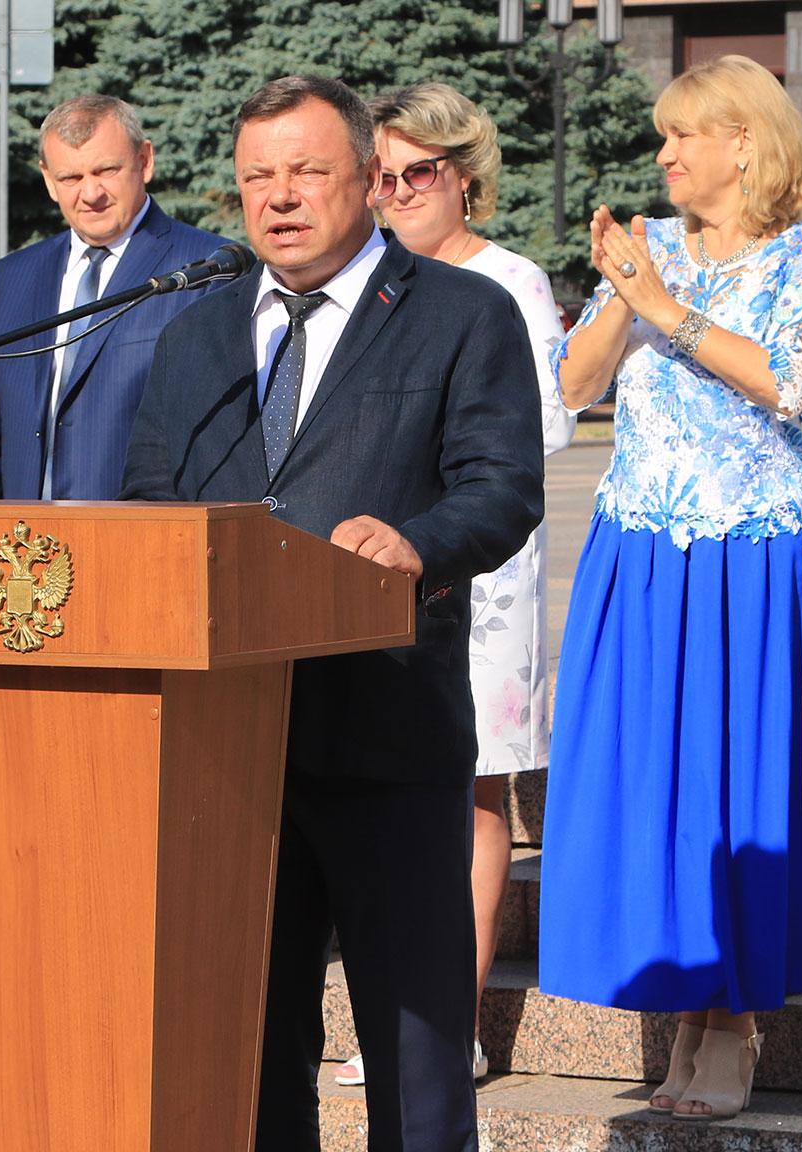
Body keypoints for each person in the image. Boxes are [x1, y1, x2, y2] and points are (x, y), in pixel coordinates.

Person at [120, 75, 543, 1152]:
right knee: (255, 1050)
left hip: (386, 729)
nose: (279, 197)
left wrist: (417, 545)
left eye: (307, 171)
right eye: (257, 177)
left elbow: (502, 487)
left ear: (369, 178)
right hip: (229, 747)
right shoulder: (196, 334)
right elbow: (149, 499)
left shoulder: (460, 313)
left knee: (414, 1055)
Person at [539, 53, 802, 1122]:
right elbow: (573, 385)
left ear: (744, 144)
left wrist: (662, 306)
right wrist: (623, 296)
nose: (664, 152)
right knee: (657, 783)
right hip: (642, 549)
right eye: (663, 135)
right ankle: (688, 1007)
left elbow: (790, 380)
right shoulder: (652, 249)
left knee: (735, 783)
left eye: (683, 135)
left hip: (752, 553)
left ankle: (733, 1020)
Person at [327, 80, 578, 1089]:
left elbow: (542, 430)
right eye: (381, 177)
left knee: (471, 786)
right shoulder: (367, 279)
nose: (397, 194)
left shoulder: (507, 283)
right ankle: (387, 1015)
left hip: (482, 569)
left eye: (417, 174)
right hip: (372, 567)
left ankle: (450, 1025)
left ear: (464, 176)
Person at [0, 94, 227, 500]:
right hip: (25, 535)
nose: (90, 193)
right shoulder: (14, 276)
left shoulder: (206, 269)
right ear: (48, 180)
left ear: (145, 160)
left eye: (106, 170)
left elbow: (217, 440)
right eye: (71, 178)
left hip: (140, 528)